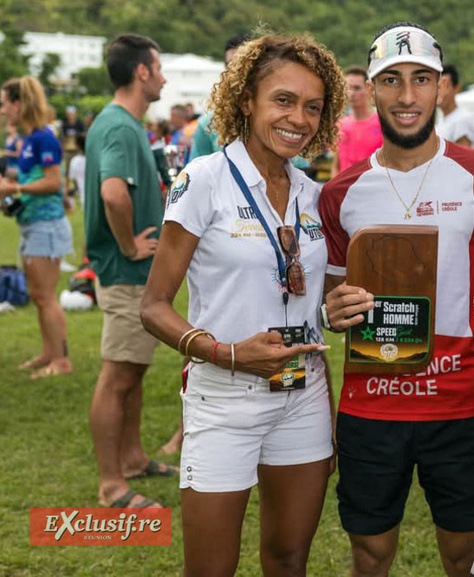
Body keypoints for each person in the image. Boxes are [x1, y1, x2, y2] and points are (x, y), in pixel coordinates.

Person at [320, 22, 474, 577]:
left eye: (421, 78)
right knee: (370, 554)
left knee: (465, 555)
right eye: (391, 80)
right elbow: (328, 304)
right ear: (371, 90)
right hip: (370, 405)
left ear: (440, 86)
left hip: (461, 405)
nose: (407, 95)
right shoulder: (339, 194)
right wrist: (332, 312)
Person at [140, 34, 346, 576]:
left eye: (312, 107)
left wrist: (337, 311)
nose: (298, 118)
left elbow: (310, 302)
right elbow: (154, 306)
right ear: (247, 101)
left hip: (303, 393)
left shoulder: (311, 193)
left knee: (287, 559)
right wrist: (227, 352)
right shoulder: (203, 180)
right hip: (223, 397)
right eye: (283, 99)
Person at [84, 33, 174, 510]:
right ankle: (111, 485)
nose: (163, 76)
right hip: (124, 271)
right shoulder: (119, 126)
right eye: (158, 68)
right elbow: (114, 193)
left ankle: (135, 459)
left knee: (132, 373)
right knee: (117, 377)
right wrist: (130, 245)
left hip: (127, 273)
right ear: (141, 72)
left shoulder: (121, 123)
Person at [0, 76, 74, 378]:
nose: (3, 111)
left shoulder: (43, 138)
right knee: (38, 295)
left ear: (19, 104)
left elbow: (54, 182)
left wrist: (13, 189)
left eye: (5, 104)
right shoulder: (29, 140)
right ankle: (49, 353)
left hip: (47, 226)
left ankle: (62, 361)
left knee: (45, 296)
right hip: (33, 224)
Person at [189, 33, 250, 161]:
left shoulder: (277, 119)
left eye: (243, 64)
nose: (236, 71)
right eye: (231, 65)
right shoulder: (208, 124)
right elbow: (195, 177)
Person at [331, 65, 382, 176]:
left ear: (369, 89)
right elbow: (336, 165)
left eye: (357, 88)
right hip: (344, 190)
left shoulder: (382, 124)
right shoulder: (340, 124)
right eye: (348, 88)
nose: (352, 93)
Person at [437, 63, 474, 148]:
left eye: (446, 86)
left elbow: (464, 159)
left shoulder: (462, 120)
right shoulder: (441, 119)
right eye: (438, 87)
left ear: (457, 89)